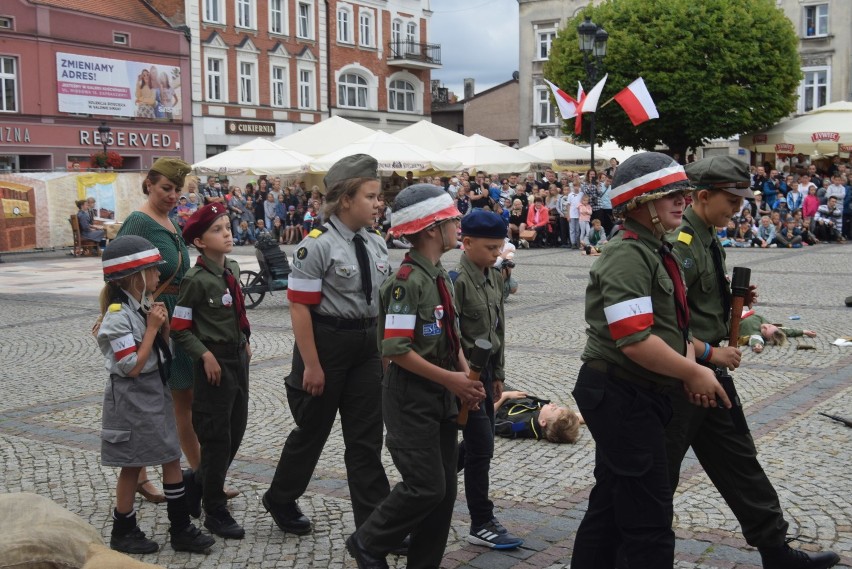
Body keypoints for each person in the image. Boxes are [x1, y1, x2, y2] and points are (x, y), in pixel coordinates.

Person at [670, 154, 840, 569]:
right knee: (652, 476)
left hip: (711, 376)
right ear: (704, 196)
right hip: (684, 379)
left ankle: (777, 552)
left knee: (740, 462)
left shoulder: (707, 234)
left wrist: (735, 301)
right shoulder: (682, 244)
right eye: (733, 200)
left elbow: (700, 303)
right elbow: (670, 323)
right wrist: (707, 356)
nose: (739, 209)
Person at [570, 152, 731, 568]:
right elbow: (635, 341)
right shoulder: (627, 254)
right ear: (639, 203)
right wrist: (693, 372)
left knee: (609, 506)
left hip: (637, 393)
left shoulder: (656, 249)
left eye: (682, 193)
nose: (682, 201)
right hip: (620, 392)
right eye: (669, 195)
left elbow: (672, 329)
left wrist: (702, 357)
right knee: (650, 522)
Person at [347, 184, 486, 569]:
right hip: (411, 397)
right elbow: (395, 350)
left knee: (442, 494)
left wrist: (464, 379)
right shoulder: (406, 283)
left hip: (441, 394)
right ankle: (368, 541)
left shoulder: (440, 276)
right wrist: (451, 380)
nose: (458, 224)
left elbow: (451, 337)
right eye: (452, 220)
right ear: (431, 229)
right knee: (425, 486)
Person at [263, 155, 392, 540]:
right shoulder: (315, 246)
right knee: (312, 430)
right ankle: (281, 497)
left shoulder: (375, 242)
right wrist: (311, 366)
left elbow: (382, 303)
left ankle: (375, 528)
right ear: (346, 198)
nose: (378, 203)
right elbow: (299, 306)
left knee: (366, 439)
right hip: (325, 344)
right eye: (370, 196)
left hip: (367, 344)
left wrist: (384, 350)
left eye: (378, 196)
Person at [96, 236, 214, 555]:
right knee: (133, 465)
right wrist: (151, 329)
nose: (159, 275)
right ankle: (124, 530)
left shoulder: (141, 305)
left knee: (170, 456)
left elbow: (160, 355)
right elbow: (131, 366)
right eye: (152, 270)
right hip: (133, 401)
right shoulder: (119, 315)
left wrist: (161, 330)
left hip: (152, 396)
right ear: (134, 276)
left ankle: (180, 528)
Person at [115, 158, 202, 505]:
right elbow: (118, 267)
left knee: (182, 399)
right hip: (152, 319)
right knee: (150, 401)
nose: (173, 196)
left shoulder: (168, 219)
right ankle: (146, 475)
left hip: (175, 319)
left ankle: (199, 473)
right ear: (148, 183)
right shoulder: (138, 221)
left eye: (177, 190)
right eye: (167, 188)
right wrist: (121, 312)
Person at [171, 203, 252, 540]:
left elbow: (237, 312)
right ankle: (215, 510)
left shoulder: (231, 268)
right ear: (201, 242)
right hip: (214, 363)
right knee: (217, 436)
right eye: (218, 230)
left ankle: (197, 480)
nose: (227, 233)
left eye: (228, 226)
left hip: (237, 359)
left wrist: (246, 338)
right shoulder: (196, 280)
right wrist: (204, 355)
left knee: (236, 429)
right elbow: (179, 328)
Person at [452, 209, 524, 550]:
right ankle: (481, 521)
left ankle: (430, 485)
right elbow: (451, 337)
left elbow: (498, 328)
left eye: (500, 247)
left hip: (488, 373)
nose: (497, 254)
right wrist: (468, 382)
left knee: (479, 444)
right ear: (466, 243)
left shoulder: (492, 277)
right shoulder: (456, 280)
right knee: (482, 447)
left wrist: (500, 375)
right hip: (465, 376)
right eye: (490, 248)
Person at [494, 391, 581, 443]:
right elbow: (576, 417)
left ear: (543, 422)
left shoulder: (520, 426)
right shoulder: (544, 416)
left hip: (494, 398)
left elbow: (489, 419)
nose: (553, 404)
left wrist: (505, 395)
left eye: (553, 409)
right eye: (557, 407)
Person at [736, 312, 816, 353]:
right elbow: (786, 331)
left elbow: (756, 339)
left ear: (764, 336)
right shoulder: (767, 324)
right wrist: (804, 332)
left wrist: (758, 345)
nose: (765, 326)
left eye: (765, 331)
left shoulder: (754, 332)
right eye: (770, 326)